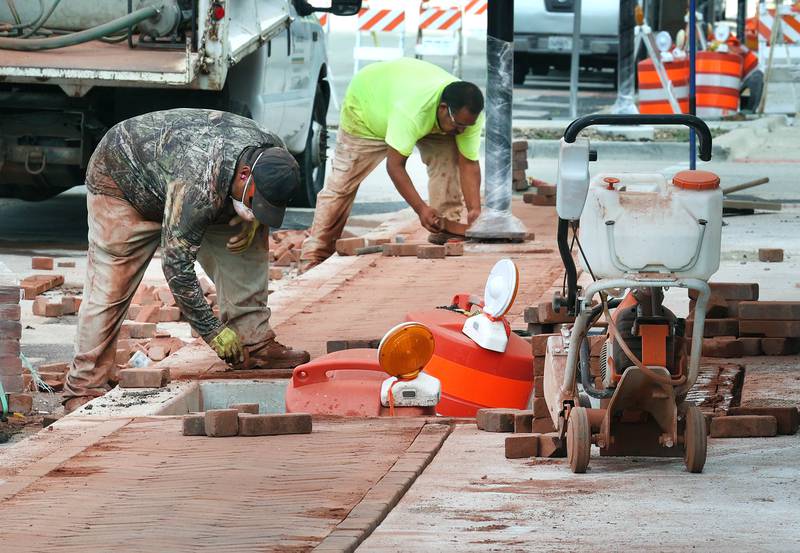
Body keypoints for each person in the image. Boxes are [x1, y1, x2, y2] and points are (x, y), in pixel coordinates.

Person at [63, 108, 310, 413]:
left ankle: (254, 344)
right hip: (123, 182)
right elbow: (176, 266)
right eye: (253, 200)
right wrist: (213, 332)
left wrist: (257, 218)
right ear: (244, 175)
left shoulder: (272, 155)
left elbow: (258, 195)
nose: (254, 207)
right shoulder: (200, 184)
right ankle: (83, 388)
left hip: (191, 177)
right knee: (109, 288)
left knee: (246, 239)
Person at [301, 58, 485, 267]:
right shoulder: (412, 112)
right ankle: (314, 254)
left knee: (449, 157)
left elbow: (469, 163)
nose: (462, 131)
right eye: (459, 125)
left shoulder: (466, 117)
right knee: (342, 184)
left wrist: (474, 211)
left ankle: (444, 229)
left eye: (466, 127)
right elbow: (395, 166)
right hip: (366, 109)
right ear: (443, 108)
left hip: (406, 102)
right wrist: (421, 209)